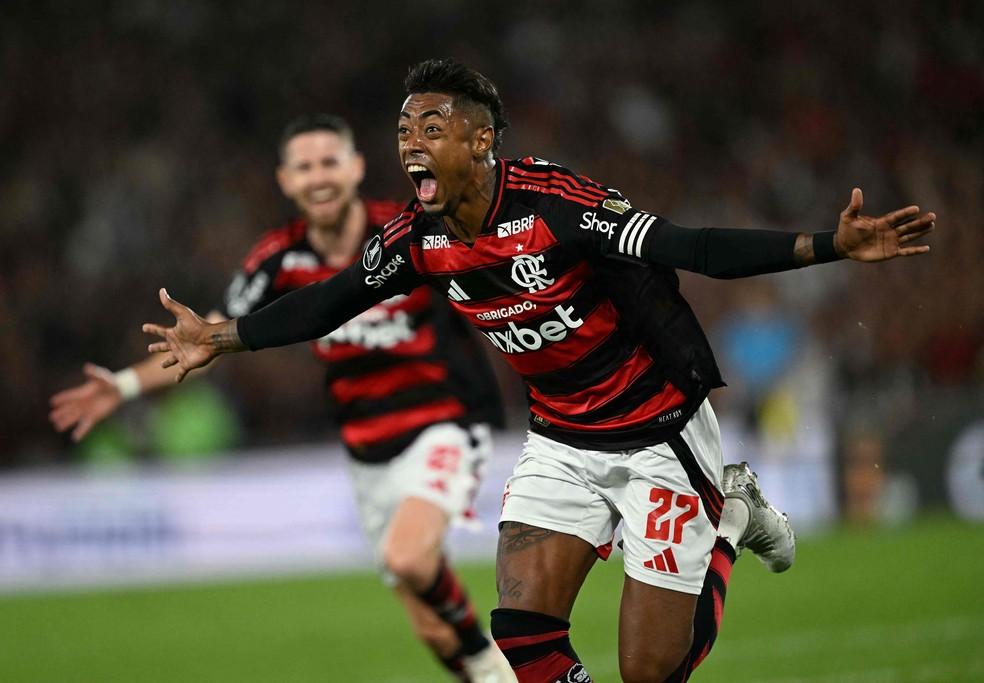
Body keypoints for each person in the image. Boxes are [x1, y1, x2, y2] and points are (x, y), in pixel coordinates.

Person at [142, 60, 936, 682]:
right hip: (561, 439)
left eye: (433, 127)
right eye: (403, 129)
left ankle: (728, 515)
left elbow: (689, 247)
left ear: (481, 143)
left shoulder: (556, 206)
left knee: (650, 669)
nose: (411, 142)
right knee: (522, 632)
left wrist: (827, 245)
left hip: (657, 431)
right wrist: (224, 336)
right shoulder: (416, 237)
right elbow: (332, 299)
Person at [49, 113, 516, 683]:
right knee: (429, 627)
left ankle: (493, 663)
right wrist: (122, 386)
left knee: (410, 559)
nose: (318, 177)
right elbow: (204, 340)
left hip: (442, 425)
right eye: (305, 167)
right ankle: (478, 666)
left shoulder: (408, 232)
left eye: (329, 163)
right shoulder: (278, 259)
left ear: (356, 168)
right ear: (286, 181)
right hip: (365, 450)